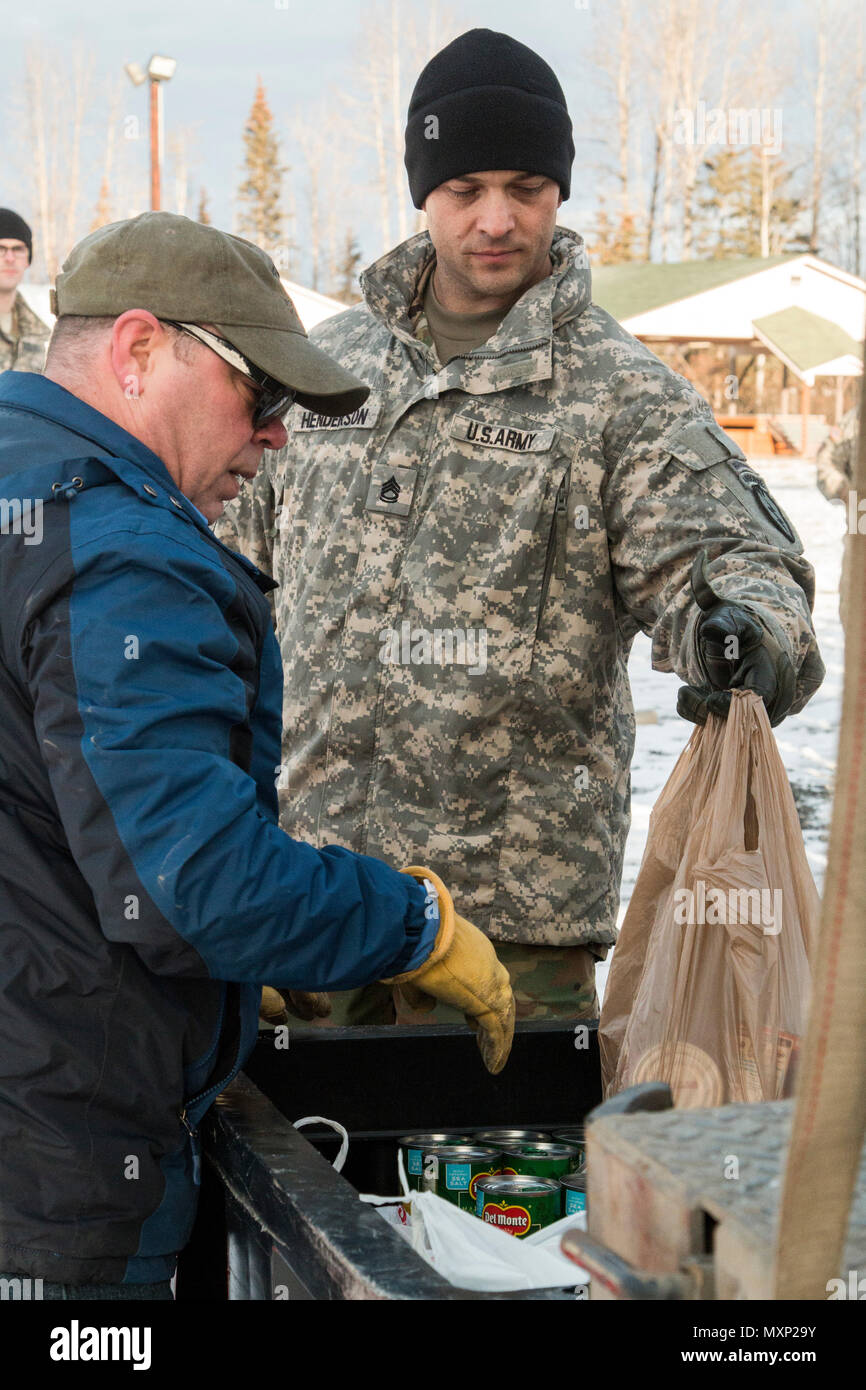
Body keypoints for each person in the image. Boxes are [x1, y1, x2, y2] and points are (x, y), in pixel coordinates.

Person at [218, 28, 824, 1030]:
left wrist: (740, 634)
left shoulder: (619, 396)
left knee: (499, 1183)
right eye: (464, 188)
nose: (495, 219)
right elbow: (223, 589)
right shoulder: (324, 373)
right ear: (423, 190)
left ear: (559, 192)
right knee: (302, 1176)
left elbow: (737, 566)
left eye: (526, 186)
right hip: (310, 898)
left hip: (514, 928)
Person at [0, 211, 513, 1300]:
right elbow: (195, 888)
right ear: (139, 351)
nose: (275, 437)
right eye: (261, 395)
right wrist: (411, 923)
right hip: (55, 1176)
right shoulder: (116, 546)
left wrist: (223, 986)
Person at [815, 400, 861, 627]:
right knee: (856, 619)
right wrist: (846, 491)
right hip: (861, 541)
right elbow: (826, 463)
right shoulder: (856, 420)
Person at [0, 208, 50, 373]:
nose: (10, 258)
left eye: (18, 249)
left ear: (28, 259)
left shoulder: (39, 334)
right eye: (1, 248)